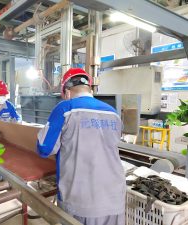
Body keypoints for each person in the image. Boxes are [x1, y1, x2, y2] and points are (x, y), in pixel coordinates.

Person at [37, 68, 126, 225]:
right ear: (89, 89)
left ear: (66, 91)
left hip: (82, 199)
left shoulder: (65, 108)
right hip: (115, 197)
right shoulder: (113, 113)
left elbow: (45, 148)